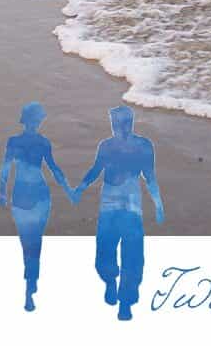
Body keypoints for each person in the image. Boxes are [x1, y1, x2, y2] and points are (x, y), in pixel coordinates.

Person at [72, 106, 164, 322]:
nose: (115, 127)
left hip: (121, 206)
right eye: (113, 123)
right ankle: (117, 289)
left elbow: (148, 176)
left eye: (118, 123)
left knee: (118, 249)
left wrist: (158, 203)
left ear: (128, 123)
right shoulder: (128, 146)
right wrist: (80, 188)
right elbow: (97, 170)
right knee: (119, 250)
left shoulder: (127, 146)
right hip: (121, 205)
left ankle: (120, 295)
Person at [0, 101, 78, 312]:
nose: (37, 123)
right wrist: (1, 190)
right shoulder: (34, 142)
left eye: (38, 119)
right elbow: (7, 167)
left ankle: (30, 284)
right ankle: (30, 281)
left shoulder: (27, 142)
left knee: (32, 243)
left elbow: (52, 168)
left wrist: (69, 189)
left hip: (32, 196)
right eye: (36, 119)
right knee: (30, 243)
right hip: (32, 196)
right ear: (31, 120)